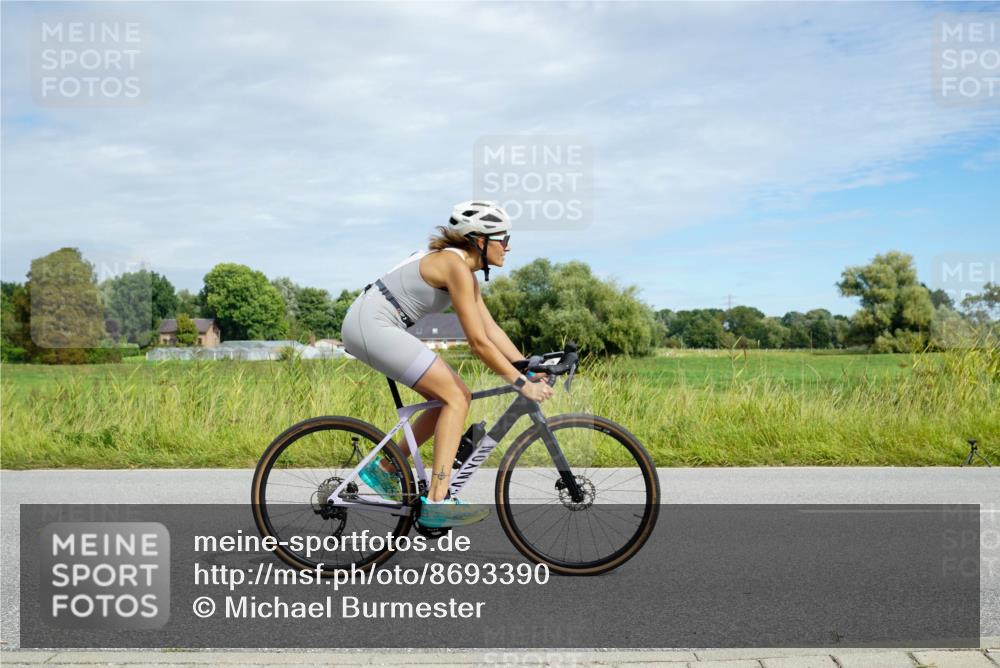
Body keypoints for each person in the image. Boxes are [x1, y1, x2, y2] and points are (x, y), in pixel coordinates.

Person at [341, 201, 554, 528]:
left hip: (377, 323)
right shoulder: (455, 267)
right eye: (503, 238)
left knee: (451, 396)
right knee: (457, 396)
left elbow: (491, 329)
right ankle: (438, 500)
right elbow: (478, 342)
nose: (508, 247)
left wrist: (526, 365)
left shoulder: (464, 272)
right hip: (371, 325)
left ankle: (386, 468)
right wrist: (521, 383)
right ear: (480, 241)